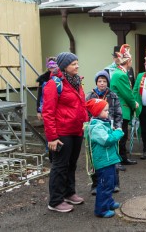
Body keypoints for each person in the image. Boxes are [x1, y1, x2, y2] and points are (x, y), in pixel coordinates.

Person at [43, 52, 88, 213]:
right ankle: (55, 201)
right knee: (60, 166)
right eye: (73, 64)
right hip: (62, 132)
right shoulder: (53, 84)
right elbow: (48, 112)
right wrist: (52, 137)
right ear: (64, 66)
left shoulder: (77, 82)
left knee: (72, 164)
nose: (77, 66)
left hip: (76, 130)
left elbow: (81, 105)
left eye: (77, 63)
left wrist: (85, 122)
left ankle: (69, 193)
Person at [85, 99, 123, 218]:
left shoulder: (102, 123)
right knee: (105, 185)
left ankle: (109, 202)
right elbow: (107, 140)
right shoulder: (96, 127)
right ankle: (101, 209)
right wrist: (118, 133)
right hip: (103, 162)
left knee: (110, 184)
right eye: (105, 110)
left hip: (108, 159)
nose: (108, 112)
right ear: (97, 112)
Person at [86, 70, 122, 194]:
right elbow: (85, 113)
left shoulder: (113, 95)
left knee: (112, 157)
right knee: (95, 158)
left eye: (104, 81)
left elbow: (118, 113)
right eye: (99, 81)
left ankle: (115, 183)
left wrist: (118, 127)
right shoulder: (90, 95)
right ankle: (95, 184)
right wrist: (86, 128)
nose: (102, 83)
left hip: (110, 129)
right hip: (96, 130)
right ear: (96, 82)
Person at [110, 44, 138, 167]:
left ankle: (122, 158)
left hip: (121, 108)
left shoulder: (119, 73)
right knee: (120, 136)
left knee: (122, 135)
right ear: (128, 61)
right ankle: (118, 160)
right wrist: (134, 104)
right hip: (121, 109)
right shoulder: (121, 75)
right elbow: (127, 94)